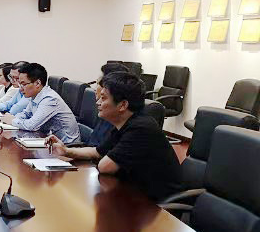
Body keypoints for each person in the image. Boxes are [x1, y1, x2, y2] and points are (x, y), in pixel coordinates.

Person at [47, 72, 182, 201]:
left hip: (156, 205)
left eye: (103, 98)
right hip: (131, 193)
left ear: (123, 105)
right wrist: (66, 151)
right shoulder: (124, 123)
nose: (98, 102)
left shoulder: (141, 128)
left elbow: (105, 166)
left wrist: (101, 158)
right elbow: (97, 151)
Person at [2, 62, 80, 144]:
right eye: (20, 84)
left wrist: (13, 120)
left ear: (37, 83)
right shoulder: (35, 95)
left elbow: (32, 125)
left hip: (67, 146)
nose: (21, 89)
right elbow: (26, 114)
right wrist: (13, 118)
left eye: (23, 84)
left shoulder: (49, 99)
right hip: (49, 140)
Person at [86, 62, 131, 146]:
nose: (95, 88)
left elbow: (100, 151)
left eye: (98, 83)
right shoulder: (105, 113)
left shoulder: (115, 118)